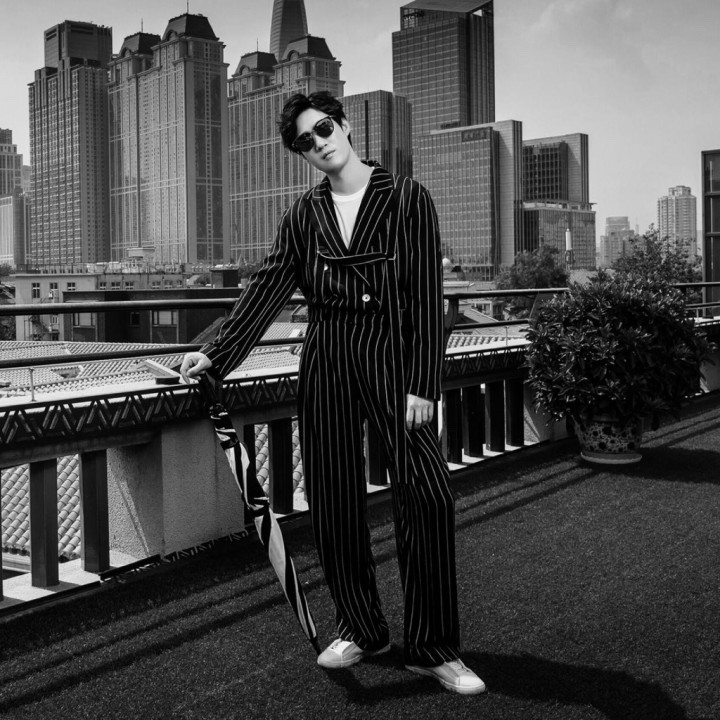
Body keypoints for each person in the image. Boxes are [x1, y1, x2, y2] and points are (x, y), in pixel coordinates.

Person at [180, 91, 485, 695]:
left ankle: (433, 647)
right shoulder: (304, 213)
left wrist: (423, 384)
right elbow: (268, 286)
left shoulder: (407, 197)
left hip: (395, 359)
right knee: (333, 497)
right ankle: (361, 628)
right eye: (304, 141)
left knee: (427, 498)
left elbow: (427, 296)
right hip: (327, 359)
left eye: (323, 129)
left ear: (343, 125)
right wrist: (216, 353)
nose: (318, 143)